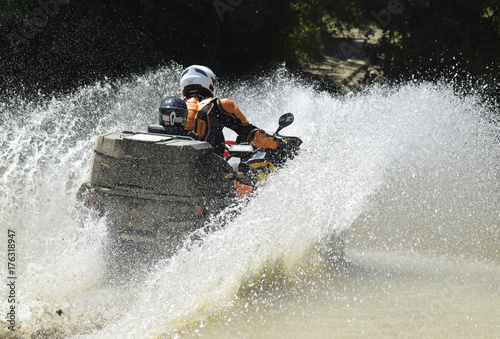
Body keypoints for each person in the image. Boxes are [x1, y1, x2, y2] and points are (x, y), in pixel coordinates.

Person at [179, 65, 283, 157]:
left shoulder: (172, 105)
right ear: (209, 83)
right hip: (212, 171)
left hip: (175, 166)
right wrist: (278, 143)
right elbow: (251, 134)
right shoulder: (219, 105)